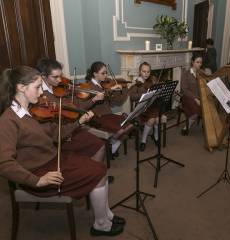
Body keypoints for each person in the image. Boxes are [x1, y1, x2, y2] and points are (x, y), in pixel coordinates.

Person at [0, 66, 126, 236]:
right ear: (21, 88)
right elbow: (4, 163)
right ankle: (101, 223)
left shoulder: (31, 110)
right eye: (37, 87)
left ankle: (106, 215)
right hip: (39, 173)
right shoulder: (8, 120)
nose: (41, 92)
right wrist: (37, 181)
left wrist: (78, 122)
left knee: (99, 169)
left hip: (53, 159)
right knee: (98, 171)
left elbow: (56, 134)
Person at [84, 61, 132, 156]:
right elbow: (98, 95)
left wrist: (119, 91)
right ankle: (113, 143)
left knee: (130, 123)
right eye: (103, 73)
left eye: (106, 72)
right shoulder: (89, 86)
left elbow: (113, 100)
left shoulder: (102, 84)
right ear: (95, 74)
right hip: (98, 116)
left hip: (108, 114)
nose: (105, 75)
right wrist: (111, 89)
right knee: (121, 130)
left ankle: (112, 143)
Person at [128, 62, 159, 151]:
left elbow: (157, 89)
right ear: (140, 71)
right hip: (141, 108)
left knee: (157, 118)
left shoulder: (152, 80)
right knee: (153, 119)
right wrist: (145, 94)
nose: (146, 74)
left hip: (152, 106)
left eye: (148, 72)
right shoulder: (137, 83)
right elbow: (132, 97)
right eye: (144, 71)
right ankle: (144, 140)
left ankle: (155, 135)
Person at [180, 55, 203, 136]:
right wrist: (195, 99)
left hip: (199, 97)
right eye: (197, 62)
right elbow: (184, 90)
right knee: (196, 111)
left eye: (200, 62)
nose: (199, 64)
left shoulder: (201, 73)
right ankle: (187, 126)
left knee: (208, 105)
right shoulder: (186, 74)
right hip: (187, 98)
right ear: (192, 62)